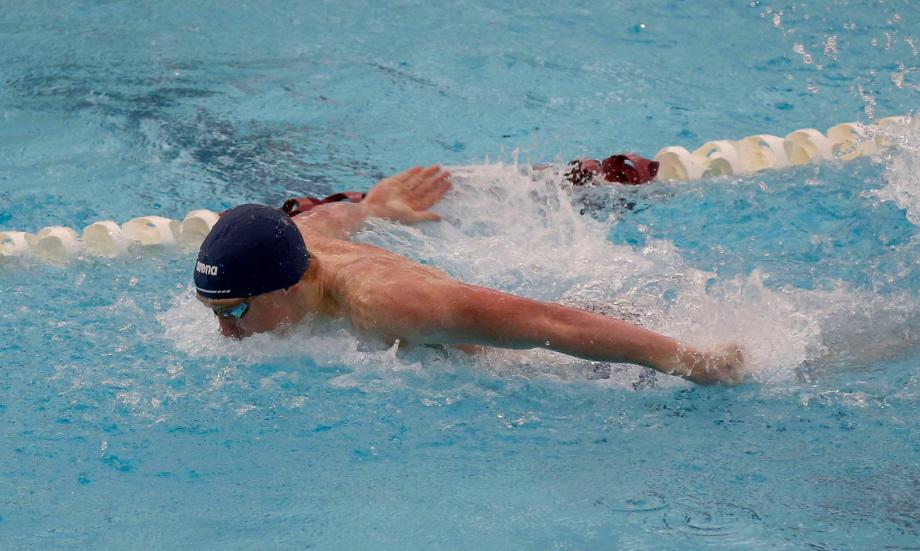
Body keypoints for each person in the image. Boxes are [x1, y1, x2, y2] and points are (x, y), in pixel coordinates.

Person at [193, 165, 745, 385]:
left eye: (234, 311)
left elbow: (544, 322)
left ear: (289, 287)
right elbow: (321, 217)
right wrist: (377, 205)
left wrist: (686, 360)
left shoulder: (387, 304)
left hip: (556, 359)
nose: (226, 333)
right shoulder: (301, 248)